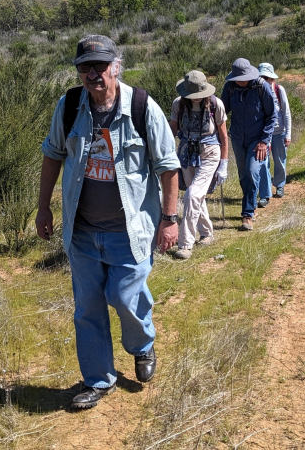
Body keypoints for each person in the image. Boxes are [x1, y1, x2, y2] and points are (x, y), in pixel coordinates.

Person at [36, 34, 181, 410]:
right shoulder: (69, 106)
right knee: (87, 307)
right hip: (82, 231)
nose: (92, 73)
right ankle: (98, 380)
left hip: (130, 231)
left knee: (123, 295)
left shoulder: (142, 107)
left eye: (99, 65)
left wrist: (169, 219)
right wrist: (43, 208)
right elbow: (52, 155)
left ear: (116, 67)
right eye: (84, 66)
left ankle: (142, 344)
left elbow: (168, 167)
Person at [169, 70, 229, 259]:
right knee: (195, 196)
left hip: (210, 152)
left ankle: (185, 244)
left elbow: (223, 136)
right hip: (186, 153)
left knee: (192, 195)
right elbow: (172, 132)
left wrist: (224, 164)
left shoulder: (216, 104)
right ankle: (207, 233)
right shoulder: (178, 104)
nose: (196, 97)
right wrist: (167, 156)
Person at [220, 58, 277, 231]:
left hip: (257, 139)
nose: (240, 81)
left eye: (243, 78)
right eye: (237, 78)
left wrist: (264, 141)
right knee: (244, 175)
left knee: (252, 172)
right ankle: (251, 204)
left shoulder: (261, 86)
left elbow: (272, 116)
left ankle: (247, 214)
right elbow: (222, 112)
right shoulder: (230, 88)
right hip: (238, 138)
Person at [258, 63, 292, 198]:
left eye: (266, 77)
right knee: (263, 162)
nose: (264, 80)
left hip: (279, 131)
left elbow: (286, 112)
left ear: (272, 78)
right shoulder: (256, 91)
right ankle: (265, 192)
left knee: (279, 160)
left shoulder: (279, 90)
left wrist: (288, 134)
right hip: (263, 133)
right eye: (262, 77)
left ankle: (279, 185)